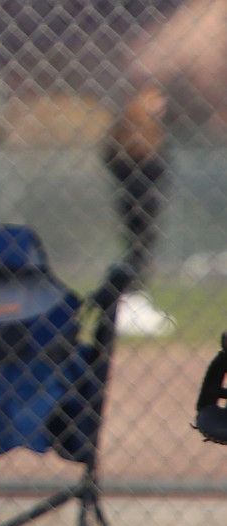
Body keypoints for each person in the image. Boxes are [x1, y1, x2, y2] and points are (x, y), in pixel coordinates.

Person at [102, 82, 177, 337]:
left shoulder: (150, 134)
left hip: (142, 198)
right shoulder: (130, 134)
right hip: (138, 198)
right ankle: (131, 295)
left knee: (141, 245)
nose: (162, 106)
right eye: (156, 100)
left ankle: (135, 294)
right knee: (138, 245)